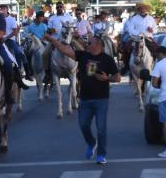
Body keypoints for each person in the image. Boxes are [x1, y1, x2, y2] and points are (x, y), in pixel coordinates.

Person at [46, 32, 120, 164]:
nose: (86, 44)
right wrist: (51, 40)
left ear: (98, 45)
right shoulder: (83, 55)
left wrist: (107, 78)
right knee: (83, 125)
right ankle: (92, 143)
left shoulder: (107, 59)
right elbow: (64, 49)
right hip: (85, 99)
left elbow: (118, 78)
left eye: (89, 42)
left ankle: (101, 154)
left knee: (101, 128)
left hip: (101, 99)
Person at [121, 3, 156, 70]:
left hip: (148, 37)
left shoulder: (151, 18)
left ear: (146, 9)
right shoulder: (134, 18)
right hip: (136, 38)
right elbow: (130, 29)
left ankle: (155, 65)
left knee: (156, 48)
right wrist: (138, 33)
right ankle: (126, 66)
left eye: (144, 8)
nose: (142, 10)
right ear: (138, 10)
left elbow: (155, 29)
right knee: (126, 48)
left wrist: (152, 30)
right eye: (141, 9)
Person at [1, 5, 30, 80]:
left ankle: (21, 69)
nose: (2, 10)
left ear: (7, 9)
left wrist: (6, 38)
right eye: (1, 8)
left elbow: (14, 32)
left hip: (10, 40)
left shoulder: (11, 19)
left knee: (19, 52)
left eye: (4, 8)